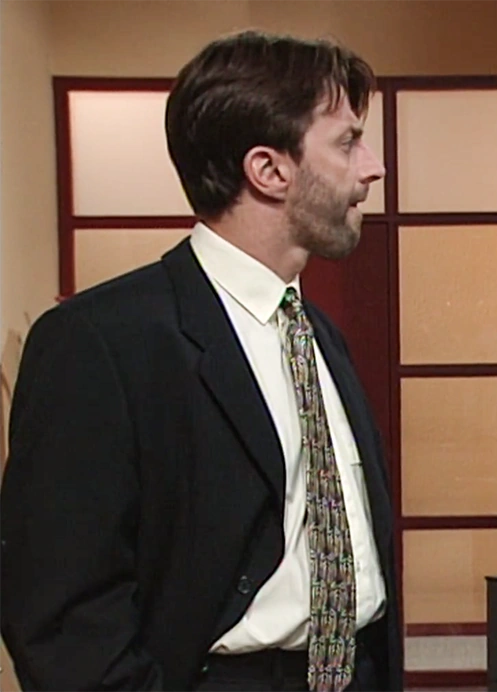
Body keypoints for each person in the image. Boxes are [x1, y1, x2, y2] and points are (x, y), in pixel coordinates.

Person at [0, 30, 400, 692]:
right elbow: (63, 616)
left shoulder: (320, 336)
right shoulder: (100, 342)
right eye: (348, 142)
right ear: (269, 170)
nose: (372, 168)